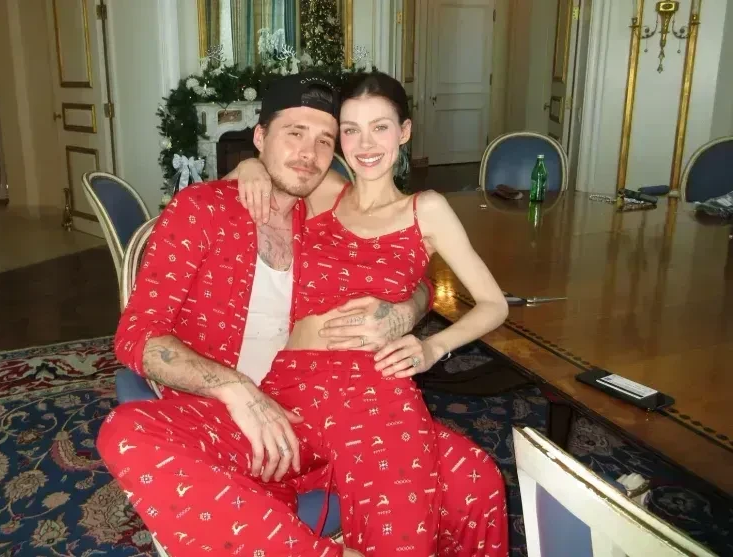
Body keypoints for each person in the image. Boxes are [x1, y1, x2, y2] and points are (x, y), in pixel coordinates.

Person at [97, 73, 507, 557]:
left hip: (355, 401)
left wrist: (411, 311)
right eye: (294, 133)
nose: (308, 153)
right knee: (126, 431)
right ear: (260, 137)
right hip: (246, 411)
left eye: (325, 139)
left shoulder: (318, 205)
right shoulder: (202, 210)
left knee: (476, 478)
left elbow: (400, 262)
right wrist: (235, 389)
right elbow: (136, 335)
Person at [230, 72, 510, 556]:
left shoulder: (426, 209)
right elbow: (271, 161)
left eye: (380, 127)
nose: (365, 144)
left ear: (404, 131)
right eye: (351, 130)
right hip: (298, 379)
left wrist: (432, 348)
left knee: (476, 479)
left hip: (377, 384)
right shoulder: (326, 191)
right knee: (416, 510)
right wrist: (250, 164)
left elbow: (494, 304)